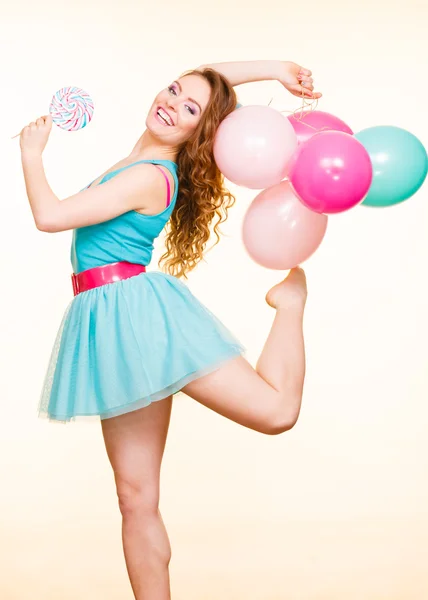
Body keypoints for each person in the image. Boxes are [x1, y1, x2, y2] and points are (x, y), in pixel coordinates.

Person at [19, 60, 321, 600]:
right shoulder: (140, 156)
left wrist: (31, 154)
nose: (171, 102)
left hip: (138, 316)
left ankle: (290, 302)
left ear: (198, 134)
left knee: (276, 413)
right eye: (173, 90)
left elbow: (50, 215)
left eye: (188, 109)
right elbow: (206, 74)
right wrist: (273, 68)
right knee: (135, 497)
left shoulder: (146, 175)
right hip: (105, 318)